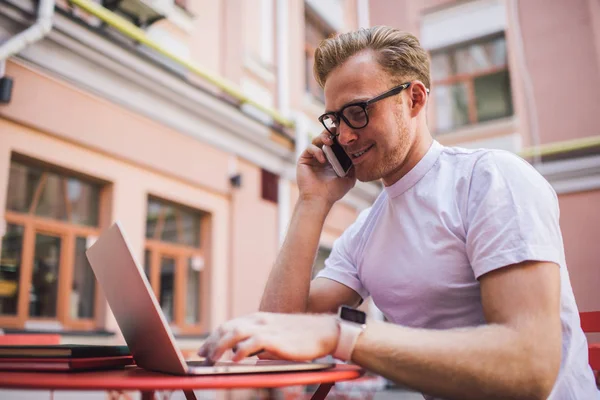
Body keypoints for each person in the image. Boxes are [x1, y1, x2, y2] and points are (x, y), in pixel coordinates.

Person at [198, 26, 599, 399]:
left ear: (415, 99)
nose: (345, 134)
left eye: (358, 111)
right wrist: (312, 203)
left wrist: (339, 336)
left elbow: (530, 366)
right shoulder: (364, 231)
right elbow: (275, 341)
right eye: (335, 119)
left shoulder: (491, 179)